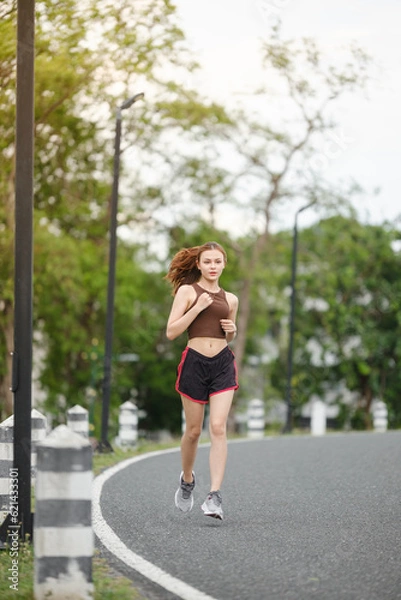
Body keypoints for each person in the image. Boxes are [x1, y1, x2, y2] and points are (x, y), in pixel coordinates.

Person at [165, 241, 239, 520]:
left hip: (222, 364)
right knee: (194, 431)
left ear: (224, 264)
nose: (212, 267)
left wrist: (232, 331)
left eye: (217, 262)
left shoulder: (231, 299)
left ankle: (215, 497)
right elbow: (172, 331)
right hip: (194, 363)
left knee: (218, 427)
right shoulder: (187, 291)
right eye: (207, 261)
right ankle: (187, 480)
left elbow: (227, 335)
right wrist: (197, 308)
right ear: (198, 264)